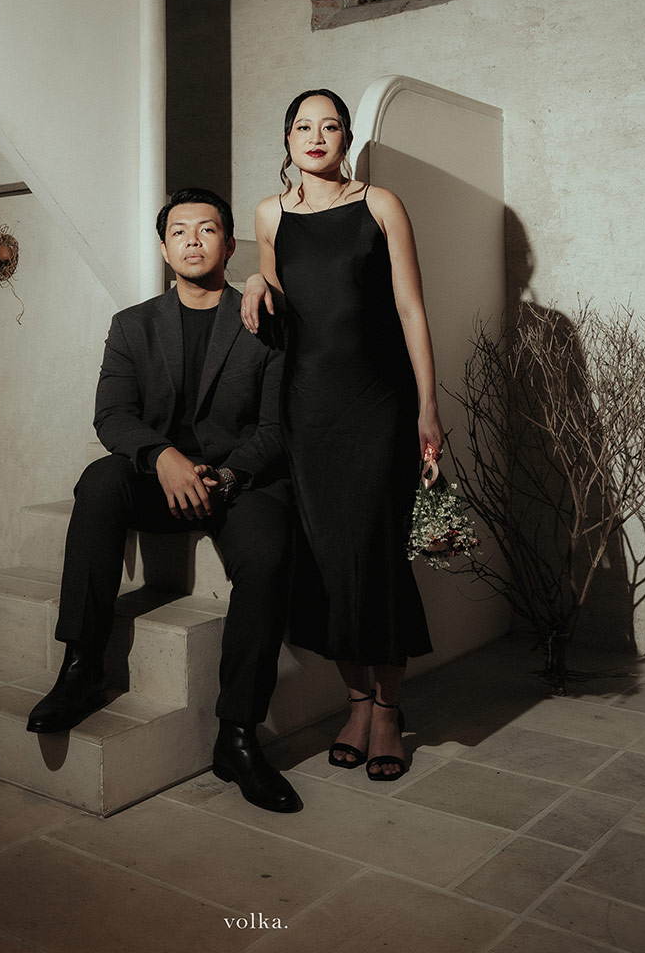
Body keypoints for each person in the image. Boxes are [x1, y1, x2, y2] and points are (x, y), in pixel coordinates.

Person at [27, 187, 301, 814]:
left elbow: (275, 429)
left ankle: (237, 734)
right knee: (100, 481)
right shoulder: (132, 325)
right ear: (163, 248)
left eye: (207, 229)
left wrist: (226, 477)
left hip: (236, 482)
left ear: (229, 245)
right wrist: (163, 457)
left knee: (268, 551)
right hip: (159, 479)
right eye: (180, 231)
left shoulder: (263, 323)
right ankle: (81, 667)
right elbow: (112, 415)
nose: (193, 240)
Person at [240, 90, 444, 782]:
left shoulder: (379, 204)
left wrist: (428, 407)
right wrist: (251, 278)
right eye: (303, 126)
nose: (316, 136)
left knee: (376, 558)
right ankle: (355, 703)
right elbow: (278, 298)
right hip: (308, 410)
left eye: (330, 125)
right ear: (287, 140)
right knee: (329, 562)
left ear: (346, 138)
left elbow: (411, 309)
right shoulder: (270, 215)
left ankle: (387, 711)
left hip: (378, 405)